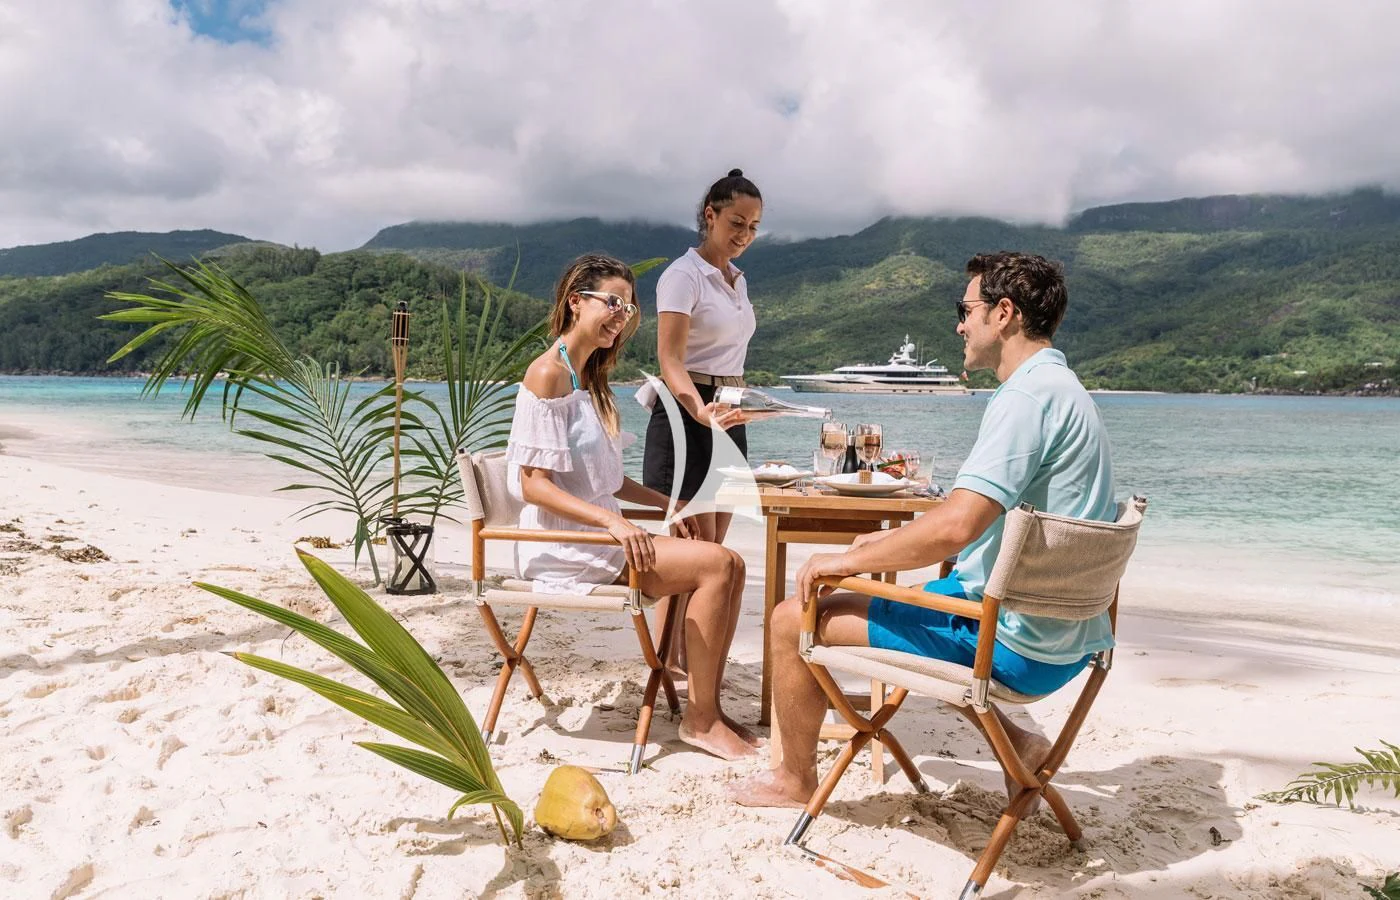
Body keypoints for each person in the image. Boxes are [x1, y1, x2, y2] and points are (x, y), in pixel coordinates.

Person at [732, 251, 1119, 807]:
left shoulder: (1026, 398)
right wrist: (878, 545)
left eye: (964, 310)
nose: (960, 325)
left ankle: (792, 780)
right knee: (935, 594)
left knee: (793, 618)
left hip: (1010, 645)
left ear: (1003, 313)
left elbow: (958, 525)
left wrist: (845, 561)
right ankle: (1022, 748)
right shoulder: (1065, 388)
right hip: (1071, 639)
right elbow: (969, 518)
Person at [507, 254, 756, 761]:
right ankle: (702, 718)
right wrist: (613, 523)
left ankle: (707, 705)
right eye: (613, 303)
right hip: (565, 544)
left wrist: (672, 504)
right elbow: (533, 486)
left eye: (629, 307)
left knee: (724, 561)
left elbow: (609, 480)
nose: (622, 316)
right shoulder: (547, 373)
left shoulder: (587, 379)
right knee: (720, 565)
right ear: (576, 301)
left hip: (599, 536)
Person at [642, 169, 763, 673]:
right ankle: (665, 664)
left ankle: (692, 658)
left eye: (754, 226)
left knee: (713, 550)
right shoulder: (682, 275)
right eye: (736, 221)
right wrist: (698, 408)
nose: (744, 234)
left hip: (729, 411)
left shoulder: (738, 279)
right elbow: (670, 359)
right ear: (709, 215)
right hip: (685, 414)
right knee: (685, 550)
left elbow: (728, 356)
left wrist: (742, 404)